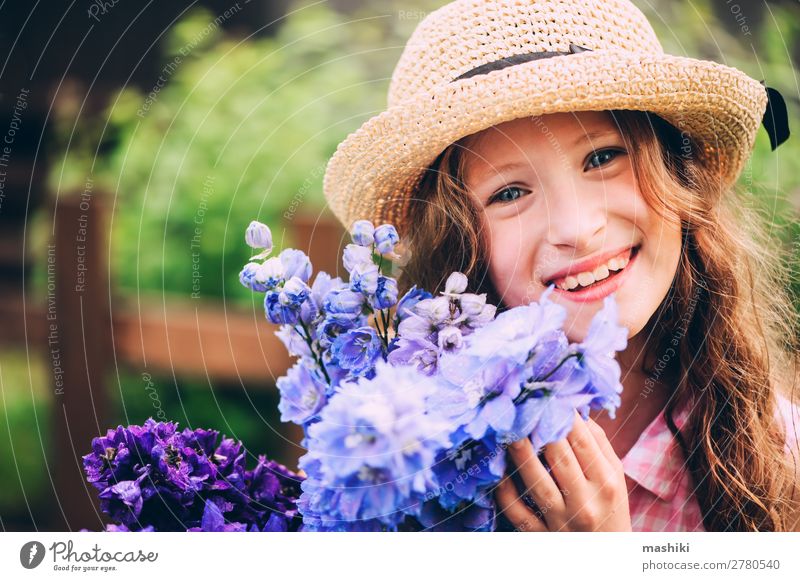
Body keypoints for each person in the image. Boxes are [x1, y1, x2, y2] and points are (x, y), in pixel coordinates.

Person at [322, 0, 800, 531]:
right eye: (508, 192)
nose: (575, 227)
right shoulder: (420, 457)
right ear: (458, 244)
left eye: (603, 157)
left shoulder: (781, 461)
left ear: (678, 177)